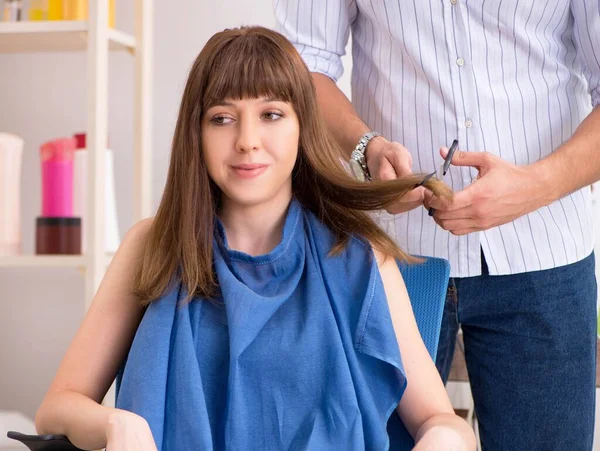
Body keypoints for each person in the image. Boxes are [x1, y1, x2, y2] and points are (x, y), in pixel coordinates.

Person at [33, 26, 475, 450]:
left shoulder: (359, 254)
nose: (247, 140)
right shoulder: (153, 246)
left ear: (302, 128)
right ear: (197, 134)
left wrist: (441, 438)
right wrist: (115, 422)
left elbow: (442, 421)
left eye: (271, 115)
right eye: (222, 118)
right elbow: (56, 409)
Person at [276, 1, 600, 449]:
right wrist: (365, 149)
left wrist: (534, 187)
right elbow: (303, 64)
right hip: (391, 262)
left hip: (545, 255)